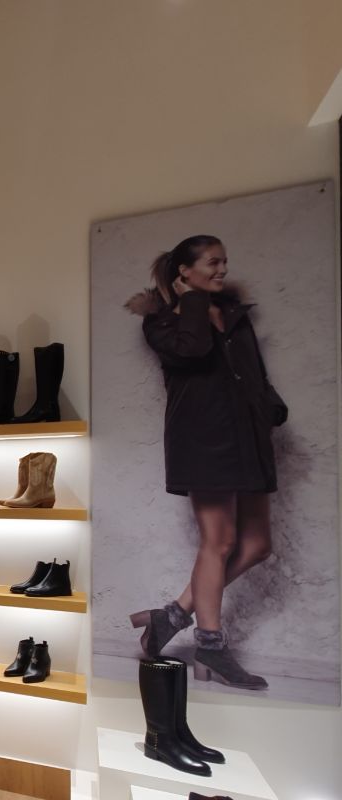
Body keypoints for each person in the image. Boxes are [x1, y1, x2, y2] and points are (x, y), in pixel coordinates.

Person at [126, 234, 287, 690]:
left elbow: (255, 371)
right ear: (185, 272)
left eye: (224, 262)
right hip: (204, 441)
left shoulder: (234, 314)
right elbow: (193, 350)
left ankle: (172, 615)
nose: (222, 269)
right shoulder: (161, 322)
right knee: (219, 541)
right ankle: (211, 646)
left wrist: (270, 407)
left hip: (248, 436)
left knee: (257, 545)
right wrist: (194, 302)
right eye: (213, 263)